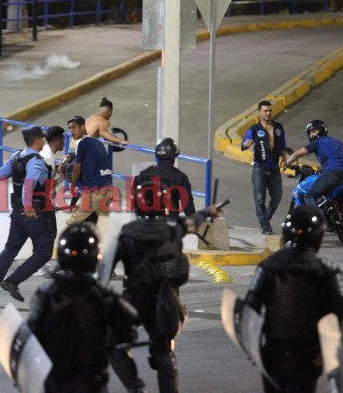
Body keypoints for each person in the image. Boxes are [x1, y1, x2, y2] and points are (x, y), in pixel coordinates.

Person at [113, 180, 221, 393]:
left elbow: (107, 266)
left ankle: (136, 387)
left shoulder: (128, 231)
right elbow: (194, 221)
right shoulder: (174, 228)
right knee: (164, 352)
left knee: (114, 344)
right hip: (166, 301)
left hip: (134, 301)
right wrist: (208, 212)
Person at [27, 223, 141, 393]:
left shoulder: (46, 293)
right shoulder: (104, 294)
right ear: (95, 256)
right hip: (91, 382)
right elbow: (128, 329)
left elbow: (31, 335)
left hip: (54, 382)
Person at [243, 205, 343, 393]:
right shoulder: (328, 270)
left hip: (273, 354)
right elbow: (339, 316)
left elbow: (249, 309)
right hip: (309, 357)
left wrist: (255, 349)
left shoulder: (267, 267)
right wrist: (328, 351)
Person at [0, 126, 55, 307]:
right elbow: (28, 187)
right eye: (42, 139)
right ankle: (12, 281)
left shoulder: (17, 156)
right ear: (37, 141)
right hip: (31, 212)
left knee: (9, 251)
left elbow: (0, 175)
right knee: (44, 251)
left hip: (17, 213)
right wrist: (29, 206)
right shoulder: (36, 161)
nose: (44, 141)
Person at [241, 100, 288, 235]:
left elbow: (282, 145)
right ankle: (265, 226)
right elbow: (244, 144)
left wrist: (285, 158)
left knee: (277, 196)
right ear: (259, 113)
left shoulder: (278, 127)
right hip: (260, 169)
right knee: (260, 199)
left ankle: (265, 219)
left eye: (270, 110)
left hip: (274, 168)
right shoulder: (254, 129)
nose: (268, 113)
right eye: (265, 111)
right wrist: (247, 144)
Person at [65, 115, 113, 226]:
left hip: (94, 192)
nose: (71, 131)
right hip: (108, 190)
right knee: (102, 227)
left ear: (83, 127)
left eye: (74, 127)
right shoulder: (98, 143)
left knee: (71, 223)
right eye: (69, 128)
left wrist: (71, 185)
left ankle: (58, 244)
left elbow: (77, 168)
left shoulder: (81, 143)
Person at [286, 120, 343, 208]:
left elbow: (296, 154)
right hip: (342, 174)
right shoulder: (337, 141)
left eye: (314, 131)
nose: (312, 135)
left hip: (332, 173)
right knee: (330, 196)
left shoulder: (318, 142)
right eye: (310, 133)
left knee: (309, 196)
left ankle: (319, 221)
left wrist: (286, 164)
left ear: (322, 130)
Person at [134, 137, 196, 217]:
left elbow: (136, 200)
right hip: (169, 225)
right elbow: (188, 206)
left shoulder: (144, 174)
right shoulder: (180, 177)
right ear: (173, 157)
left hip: (147, 224)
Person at [37, 125, 66, 277]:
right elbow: (47, 184)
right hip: (43, 202)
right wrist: (62, 176)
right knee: (49, 233)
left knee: (47, 233)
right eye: (62, 139)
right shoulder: (47, 156)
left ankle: (41, 263)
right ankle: (41, 264)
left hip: (43, 201)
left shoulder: (49, 154)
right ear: (55, 140)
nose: (64, 142)